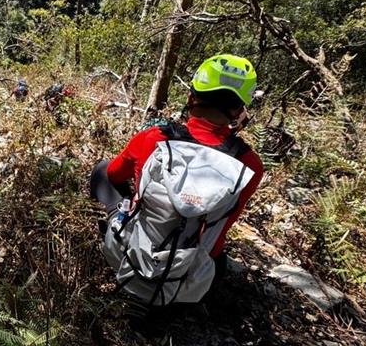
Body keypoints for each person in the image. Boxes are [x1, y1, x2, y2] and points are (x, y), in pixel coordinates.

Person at [90, 54, 264, 305]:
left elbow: (114, 175)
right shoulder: (249, 165)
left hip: (130, 261)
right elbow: (223, 228)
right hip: (190, 283)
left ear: (192, 97)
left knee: (102, 170)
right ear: (238, 110)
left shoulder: (154, 137)